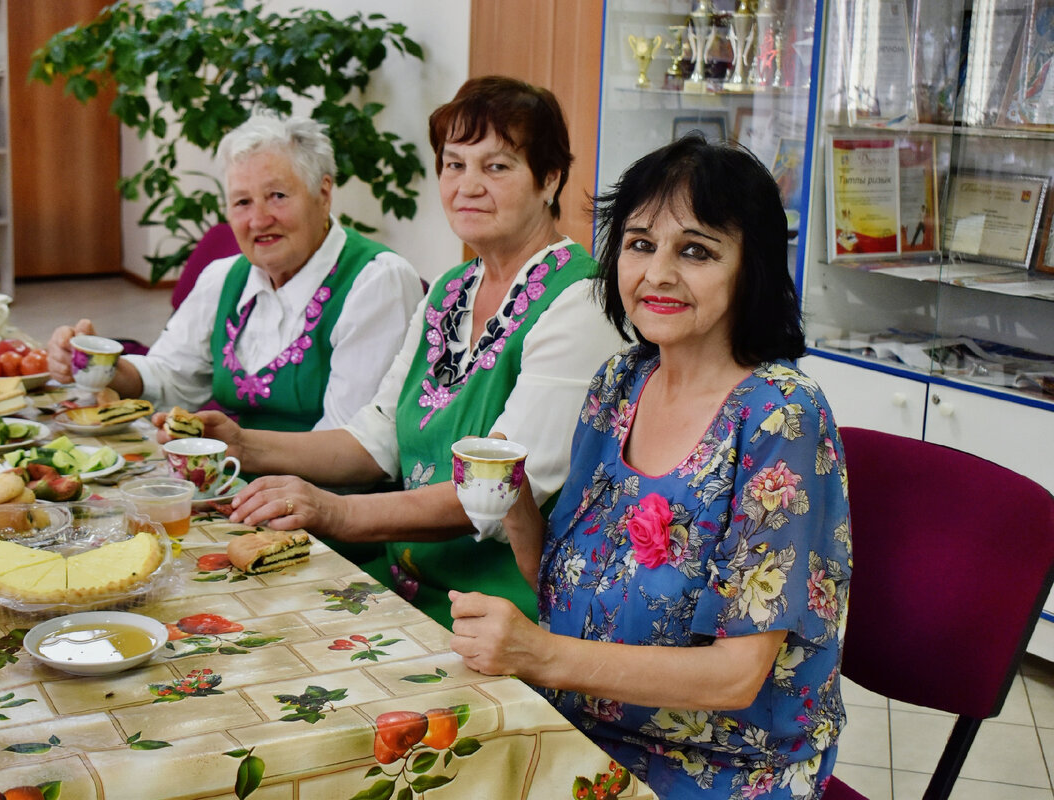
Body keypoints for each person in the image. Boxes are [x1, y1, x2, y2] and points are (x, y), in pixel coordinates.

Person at [447, 135, 850, 798]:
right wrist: (512, 502)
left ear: (751, 268)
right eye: (640, 244)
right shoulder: (619, 384)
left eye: (695, 250)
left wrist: (539, 655)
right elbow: (567, 587)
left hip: (723, 767)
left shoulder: (781, 414)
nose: (658, 272)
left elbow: (735, 676)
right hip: (581, 726)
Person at [165, 76, 624, 628]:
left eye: (496, 166)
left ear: (549, 179)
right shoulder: (450, 290)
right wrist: (242, 443)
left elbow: (491, 492)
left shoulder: (580, 302)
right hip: (403, 582)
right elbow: (376, 439)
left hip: (500, 609)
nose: (468, 186)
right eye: (454, 165)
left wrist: (333, 510)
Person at [47, 111, 423, 432]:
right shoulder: (225, 277)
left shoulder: (376, 281)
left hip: (328, 504)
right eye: (242, 202)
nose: (259, 219)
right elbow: (171, 375)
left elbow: (353, 441)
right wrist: (102, 365)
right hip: (240, 483)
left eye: (277, 196)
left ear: (323, 194)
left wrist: (238, 448)